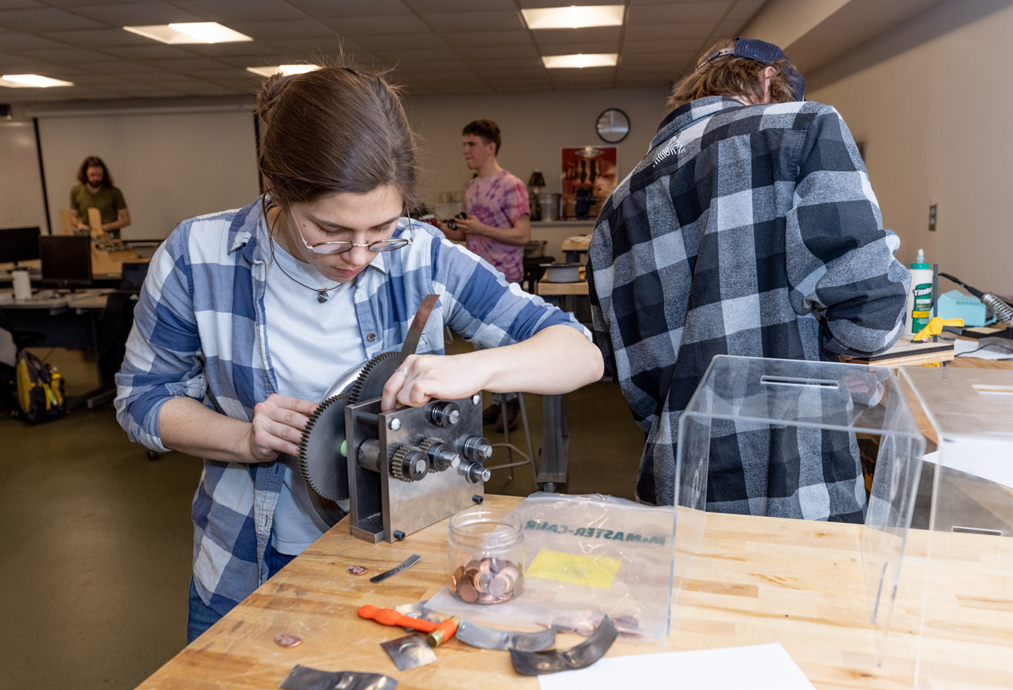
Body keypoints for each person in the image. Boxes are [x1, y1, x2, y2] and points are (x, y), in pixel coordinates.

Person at [115, 63, 603, 643]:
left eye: (382, 229)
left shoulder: (421, 254)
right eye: (329, 231)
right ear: (277, 185)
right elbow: (142, 399)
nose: (359, 255)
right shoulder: (199, 257)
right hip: (248, 567)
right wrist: (241, 438)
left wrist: (468, 367)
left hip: (405, 567)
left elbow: (581, 353)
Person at [587, 37, 910, 516]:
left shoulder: (615, 208)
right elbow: (869, 319)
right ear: (765, 80)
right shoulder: (805, 125)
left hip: (677, 475)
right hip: (792, 476)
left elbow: (622, 370)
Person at [439, 119, 531, 430]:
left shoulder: (512, 185)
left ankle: (512, 405)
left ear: (490, 148)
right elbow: (474, 238)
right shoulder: (472, 187)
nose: (464, 150)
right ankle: (496, 403)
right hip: (475, 279)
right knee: (482, 346)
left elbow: (522, 235)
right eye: (464, 144)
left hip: (504, 279)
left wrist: (478, 227)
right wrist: (447, 232)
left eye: (471, 144)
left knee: (503, 349)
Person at [70, 156, 131, 237]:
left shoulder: (114, 192)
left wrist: (105, 227)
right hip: (87, 237)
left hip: (109, 237)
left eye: (99, 175)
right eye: (92, 175)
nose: (96, 178)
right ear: (85, 173)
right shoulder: (76, 191)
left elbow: (126, 220)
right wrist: (79, 225)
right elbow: (73, 216)